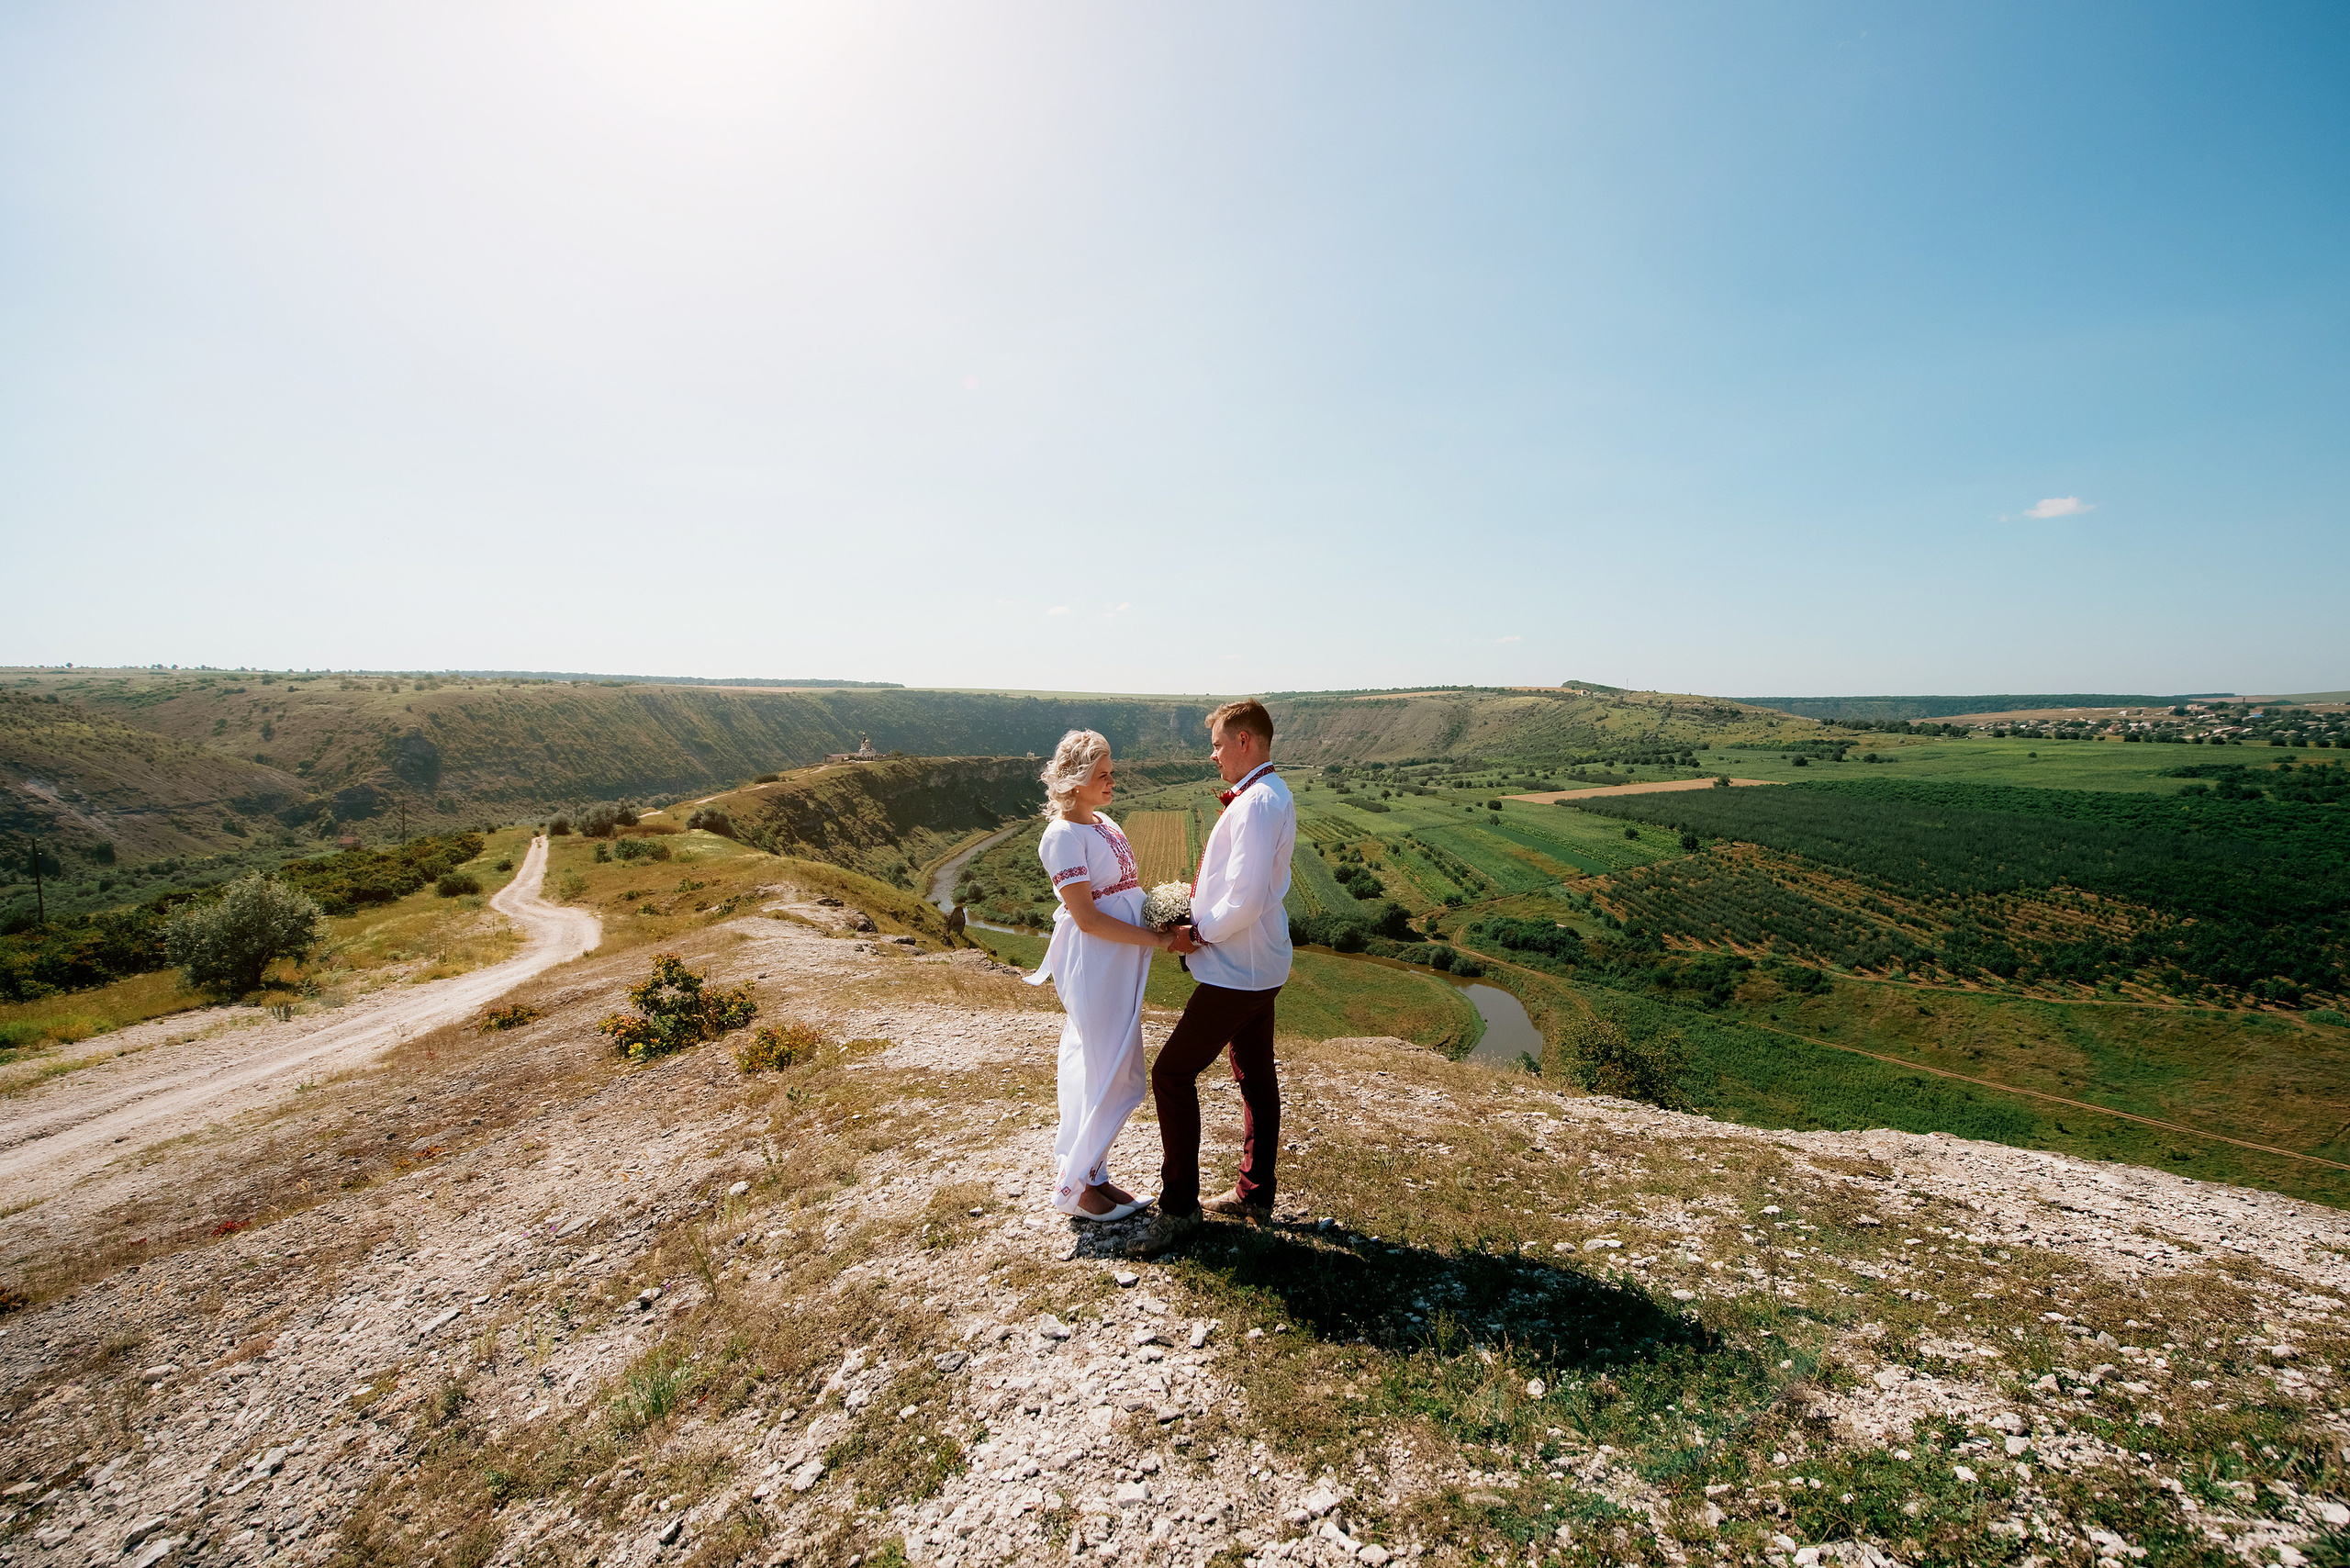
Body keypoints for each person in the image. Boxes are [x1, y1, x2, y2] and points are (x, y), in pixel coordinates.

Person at [1128, 698, 1295, 1258]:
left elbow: (1244, 900)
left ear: (1245, 741)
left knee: (1172, 1074)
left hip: (1237, 971)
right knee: (1254, 1076)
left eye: (1219, 743)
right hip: (1260, 963)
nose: (1213, 754)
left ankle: (1179, 1208)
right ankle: (1255, 1193)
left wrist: (1194, 929)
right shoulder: (1272, 794)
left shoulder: (1255, 806)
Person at [1024, 729, 1185, 1221]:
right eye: (1102, 774)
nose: (1112, 780)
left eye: (1111, 771)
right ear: (1075, 782)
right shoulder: (1062, 836)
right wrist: (1160, 940)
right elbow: (1089, 918)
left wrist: (1162, 912)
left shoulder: (1102, 821)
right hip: (1095, 964)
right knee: (1106, 1071)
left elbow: (1124, 891)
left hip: (1119, 964)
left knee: (1101, 1067)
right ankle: (1076, 1189)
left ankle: (1093, 1176)